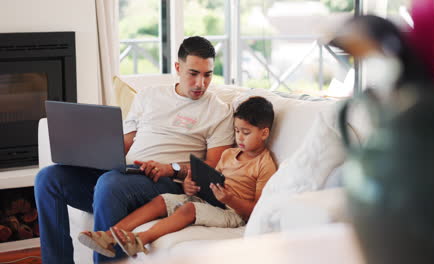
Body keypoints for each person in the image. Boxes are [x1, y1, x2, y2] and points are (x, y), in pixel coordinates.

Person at [34, 36, 235, 264]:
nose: (201, 83)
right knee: (48, 178)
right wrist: (88, 154)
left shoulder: (219, 111)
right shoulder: (149, 96)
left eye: (207, 74)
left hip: (166, 183)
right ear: (178, 68)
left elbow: (213, 167)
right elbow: (126, 142)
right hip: (125, 173)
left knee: (110, 184)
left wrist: (171, 168)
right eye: (193, 73)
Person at [78, 96, 277, 257]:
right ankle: (108, 235)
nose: (239, 138)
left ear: (264, 133)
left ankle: (140, 240)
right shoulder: (229, 154)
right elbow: (215, 180)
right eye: (236, 131)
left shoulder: (265, 165)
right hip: (210, 200)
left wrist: (230, 199)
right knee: (160, 202)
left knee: (188, 209)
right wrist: (192, 185)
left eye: (246, 132)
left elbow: (257, 210)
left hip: (233, 213)